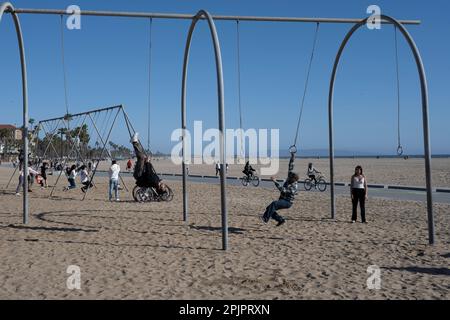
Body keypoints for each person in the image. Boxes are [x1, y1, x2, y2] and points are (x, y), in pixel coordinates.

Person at [261, 152, 299, 227]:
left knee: (274, 204)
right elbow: (291, 166)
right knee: (269, 208)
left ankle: (265, 218)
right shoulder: (290, 177)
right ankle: (280, 220)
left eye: (289, 178)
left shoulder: (294, 186)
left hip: (287, 202)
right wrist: (292, 157)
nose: (288, 178)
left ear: (293, 179)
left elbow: (283, 190)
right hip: (282, 199)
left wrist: (275, 181)